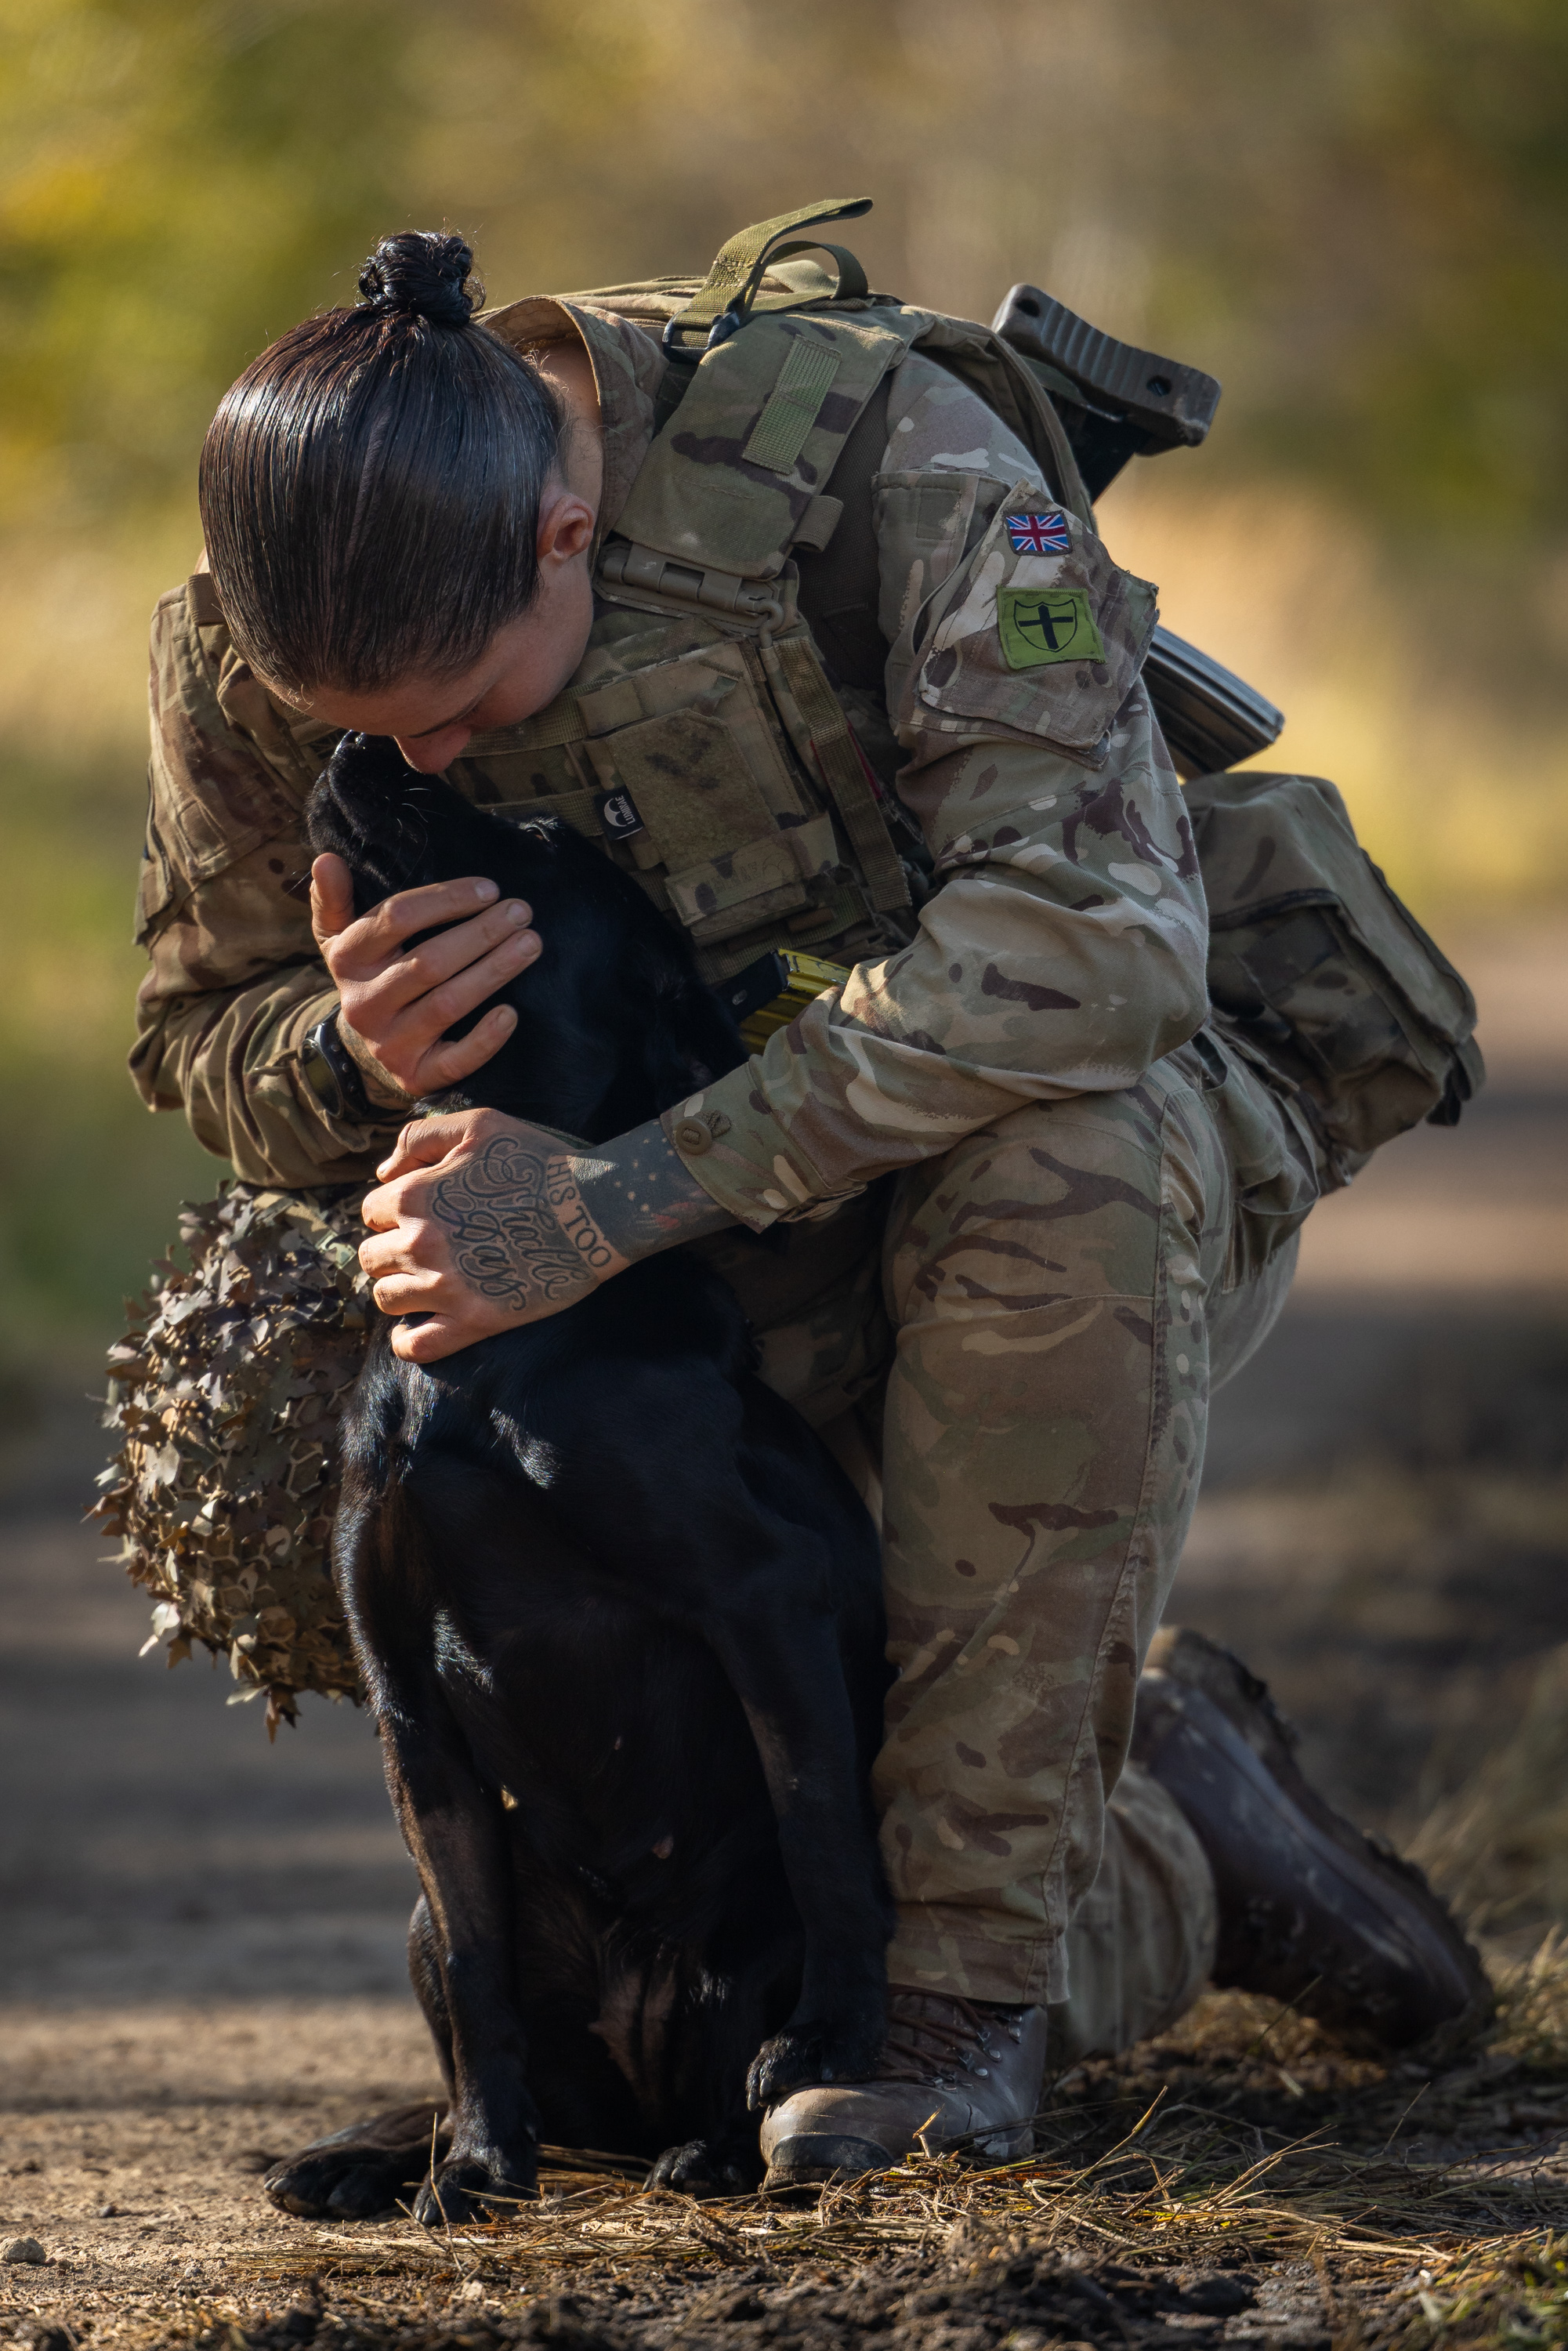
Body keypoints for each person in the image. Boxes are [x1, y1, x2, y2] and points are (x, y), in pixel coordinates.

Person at [132, 222, 1486, 2193]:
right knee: (257, 1386)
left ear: (563, 539)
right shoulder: (297, 580)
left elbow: (1093, 950)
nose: (421, 763)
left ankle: (958, 2002)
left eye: (453, 704)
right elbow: (196, 1037)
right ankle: (1095, 1850)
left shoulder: (889, 469)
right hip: (650, 1262)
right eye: (362, 733)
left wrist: (618, 1203)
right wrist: (351, 1049)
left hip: (979, 1170)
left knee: (1062, 1160)